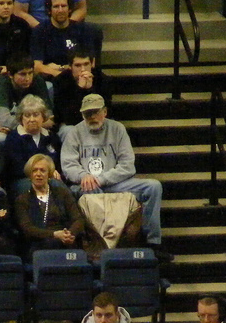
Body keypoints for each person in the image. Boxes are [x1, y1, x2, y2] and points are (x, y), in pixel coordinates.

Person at [61, 94, 166, 258]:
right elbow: (68, 165)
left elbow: (128, 165)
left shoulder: (118, 129)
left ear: (105, 112)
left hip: (114, 182)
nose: (92, 117)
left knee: (153, 187)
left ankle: (152, 242)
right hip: (86, 186)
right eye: (88, 113)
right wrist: (83, 176)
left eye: (96, 112)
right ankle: (99, 247)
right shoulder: (74, 133)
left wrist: (102, 179)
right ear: (82, 115)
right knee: (92, 194)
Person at [14, 152, 84, 256]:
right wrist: (54, 235)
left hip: (65, 241)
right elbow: (27, 229)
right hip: (38, 244)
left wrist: (69, 234)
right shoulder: (22, 200)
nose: (38, 174)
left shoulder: (62, 193)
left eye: (42, 170)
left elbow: (78, 219)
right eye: (34, 170)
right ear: (30, 174)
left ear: (49, 173)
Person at [30, 0, 100, 81]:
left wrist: (60, 68)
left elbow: (91, 63)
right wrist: (64, 75)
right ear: (49, 10)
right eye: (56, 6)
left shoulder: (83, 30)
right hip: (51, 80)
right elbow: (37, 67)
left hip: (79, 78)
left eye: (63, 6)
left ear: (70, 9)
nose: (60, 10)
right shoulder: (39, 31)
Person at [3, 93, 61, 194]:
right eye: (27, 115)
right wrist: (46, 173)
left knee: (60, 188)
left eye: (36, 115)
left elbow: (59, 163)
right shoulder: (13, 138)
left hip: (50, 179)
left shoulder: (52, 137)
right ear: (21, 118)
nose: (32, 119)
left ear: (43, 117)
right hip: (23, 181)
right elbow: (16, 168)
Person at [0, 52, 50, 137]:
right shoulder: (1, 85)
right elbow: (4, 120)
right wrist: (34, 123)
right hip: (8, 130)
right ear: (10, 74)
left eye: (30, 73)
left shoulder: (38, 81)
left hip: (29, 128)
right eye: (23, 74)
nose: (28, 78)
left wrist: (29, 126)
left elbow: (49, 117)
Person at [51, 49, 110, 133]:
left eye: (86, 64)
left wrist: (90, 90)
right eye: (78, 65)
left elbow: (105, 112)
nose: (83, 69)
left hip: (98, 122)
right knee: (69, 130)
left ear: (91, 64)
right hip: (71, 124)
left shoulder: (102, 79)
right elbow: (67, 118)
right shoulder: (60, 81)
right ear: (70, 67)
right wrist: (80, 89)